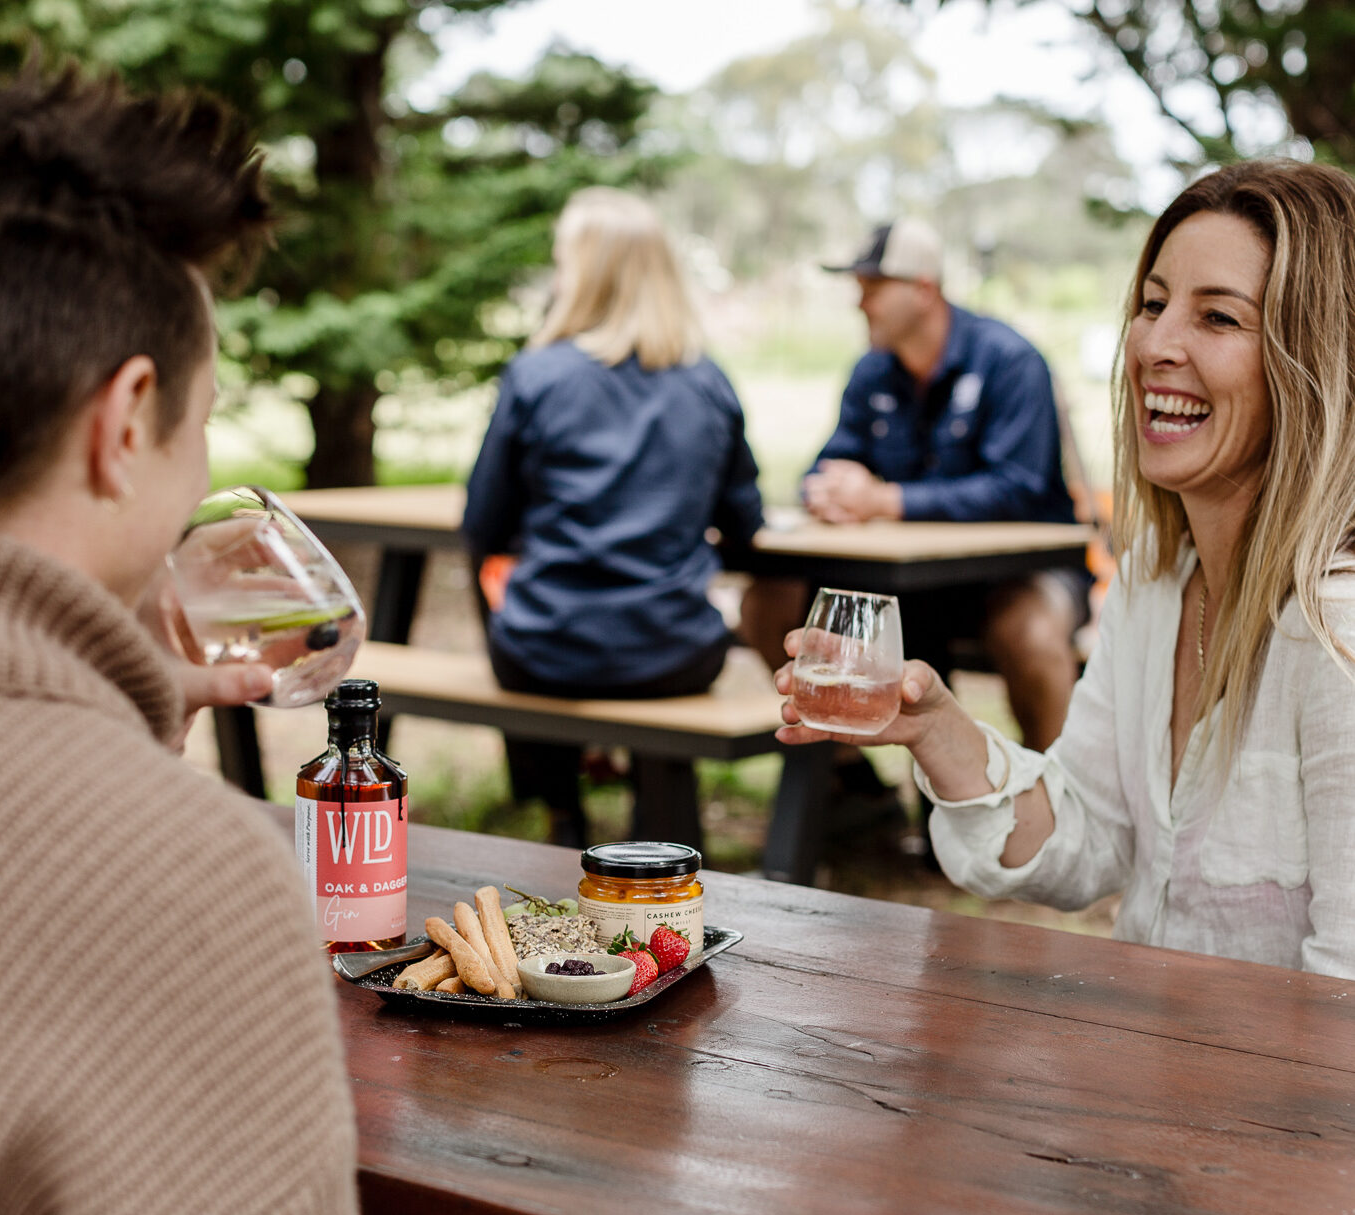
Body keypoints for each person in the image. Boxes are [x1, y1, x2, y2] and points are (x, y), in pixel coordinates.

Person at [0, 60, 392, 1215]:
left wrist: (113, 737)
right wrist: (134, 809)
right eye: (205, 418)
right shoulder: (188, 880)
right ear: (126, 421)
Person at [776, 159, 1355, 979]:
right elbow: (1088, 838)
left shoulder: (1338, 631)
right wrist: (939, 731)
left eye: (1218, 318)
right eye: (1152, 305)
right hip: (1156, 1067)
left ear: (1317, 362)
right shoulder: (1158, 582)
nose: (1155, 344)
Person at [462, 186, 764, 846]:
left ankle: (561, 807)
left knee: (505, 599)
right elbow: (745, 522)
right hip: (676, 650)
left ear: (583, 274)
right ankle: (656, 827)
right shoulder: (708, 382)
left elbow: (482, 524)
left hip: (545, 651)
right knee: (643, 637)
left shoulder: (537, 376)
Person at [743, 218, 1090, 753]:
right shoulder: (872, 371)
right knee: (769, 602)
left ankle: (1057, 805)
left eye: (874, 289)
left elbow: (1017, 490)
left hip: (1021, 571)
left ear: (924, 289)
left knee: (1030, 632)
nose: (860, 304)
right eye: (858, 289)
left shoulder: (1009, 361)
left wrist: (883, 499)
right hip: (912, 581)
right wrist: (828, 490)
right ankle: (850, 785)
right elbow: (826, 465)